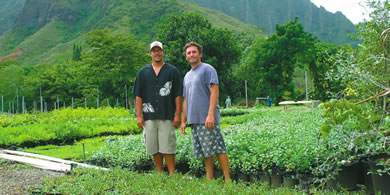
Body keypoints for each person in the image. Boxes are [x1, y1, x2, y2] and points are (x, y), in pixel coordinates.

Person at [180, 41, 231, 181]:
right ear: (186, 56)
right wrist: (183, 121)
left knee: (218, 147)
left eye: (194, 52)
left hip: (207, 118)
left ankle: (228, 180)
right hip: (194, 120)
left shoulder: (207, 69)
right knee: (206, 151)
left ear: (200, 54)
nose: (191, 55)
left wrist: (210, 115)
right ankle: (210, 179)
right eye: (188, 53)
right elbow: (186, 100)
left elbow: (214, 91)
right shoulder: (187, 76)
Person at [133, 41, 182, 175]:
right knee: (153, 146)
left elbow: (178, 94)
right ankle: (160, 173)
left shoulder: (172, 71)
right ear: (150, 53)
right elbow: (138, 95)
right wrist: (139, 115)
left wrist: (178, 114)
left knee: (168, 146)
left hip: (167, 114)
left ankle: (172, 174)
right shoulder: (143, 72)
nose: (157, 53)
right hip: (148, 115)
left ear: (163, 52)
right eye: (154, 51)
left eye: (159, 50)